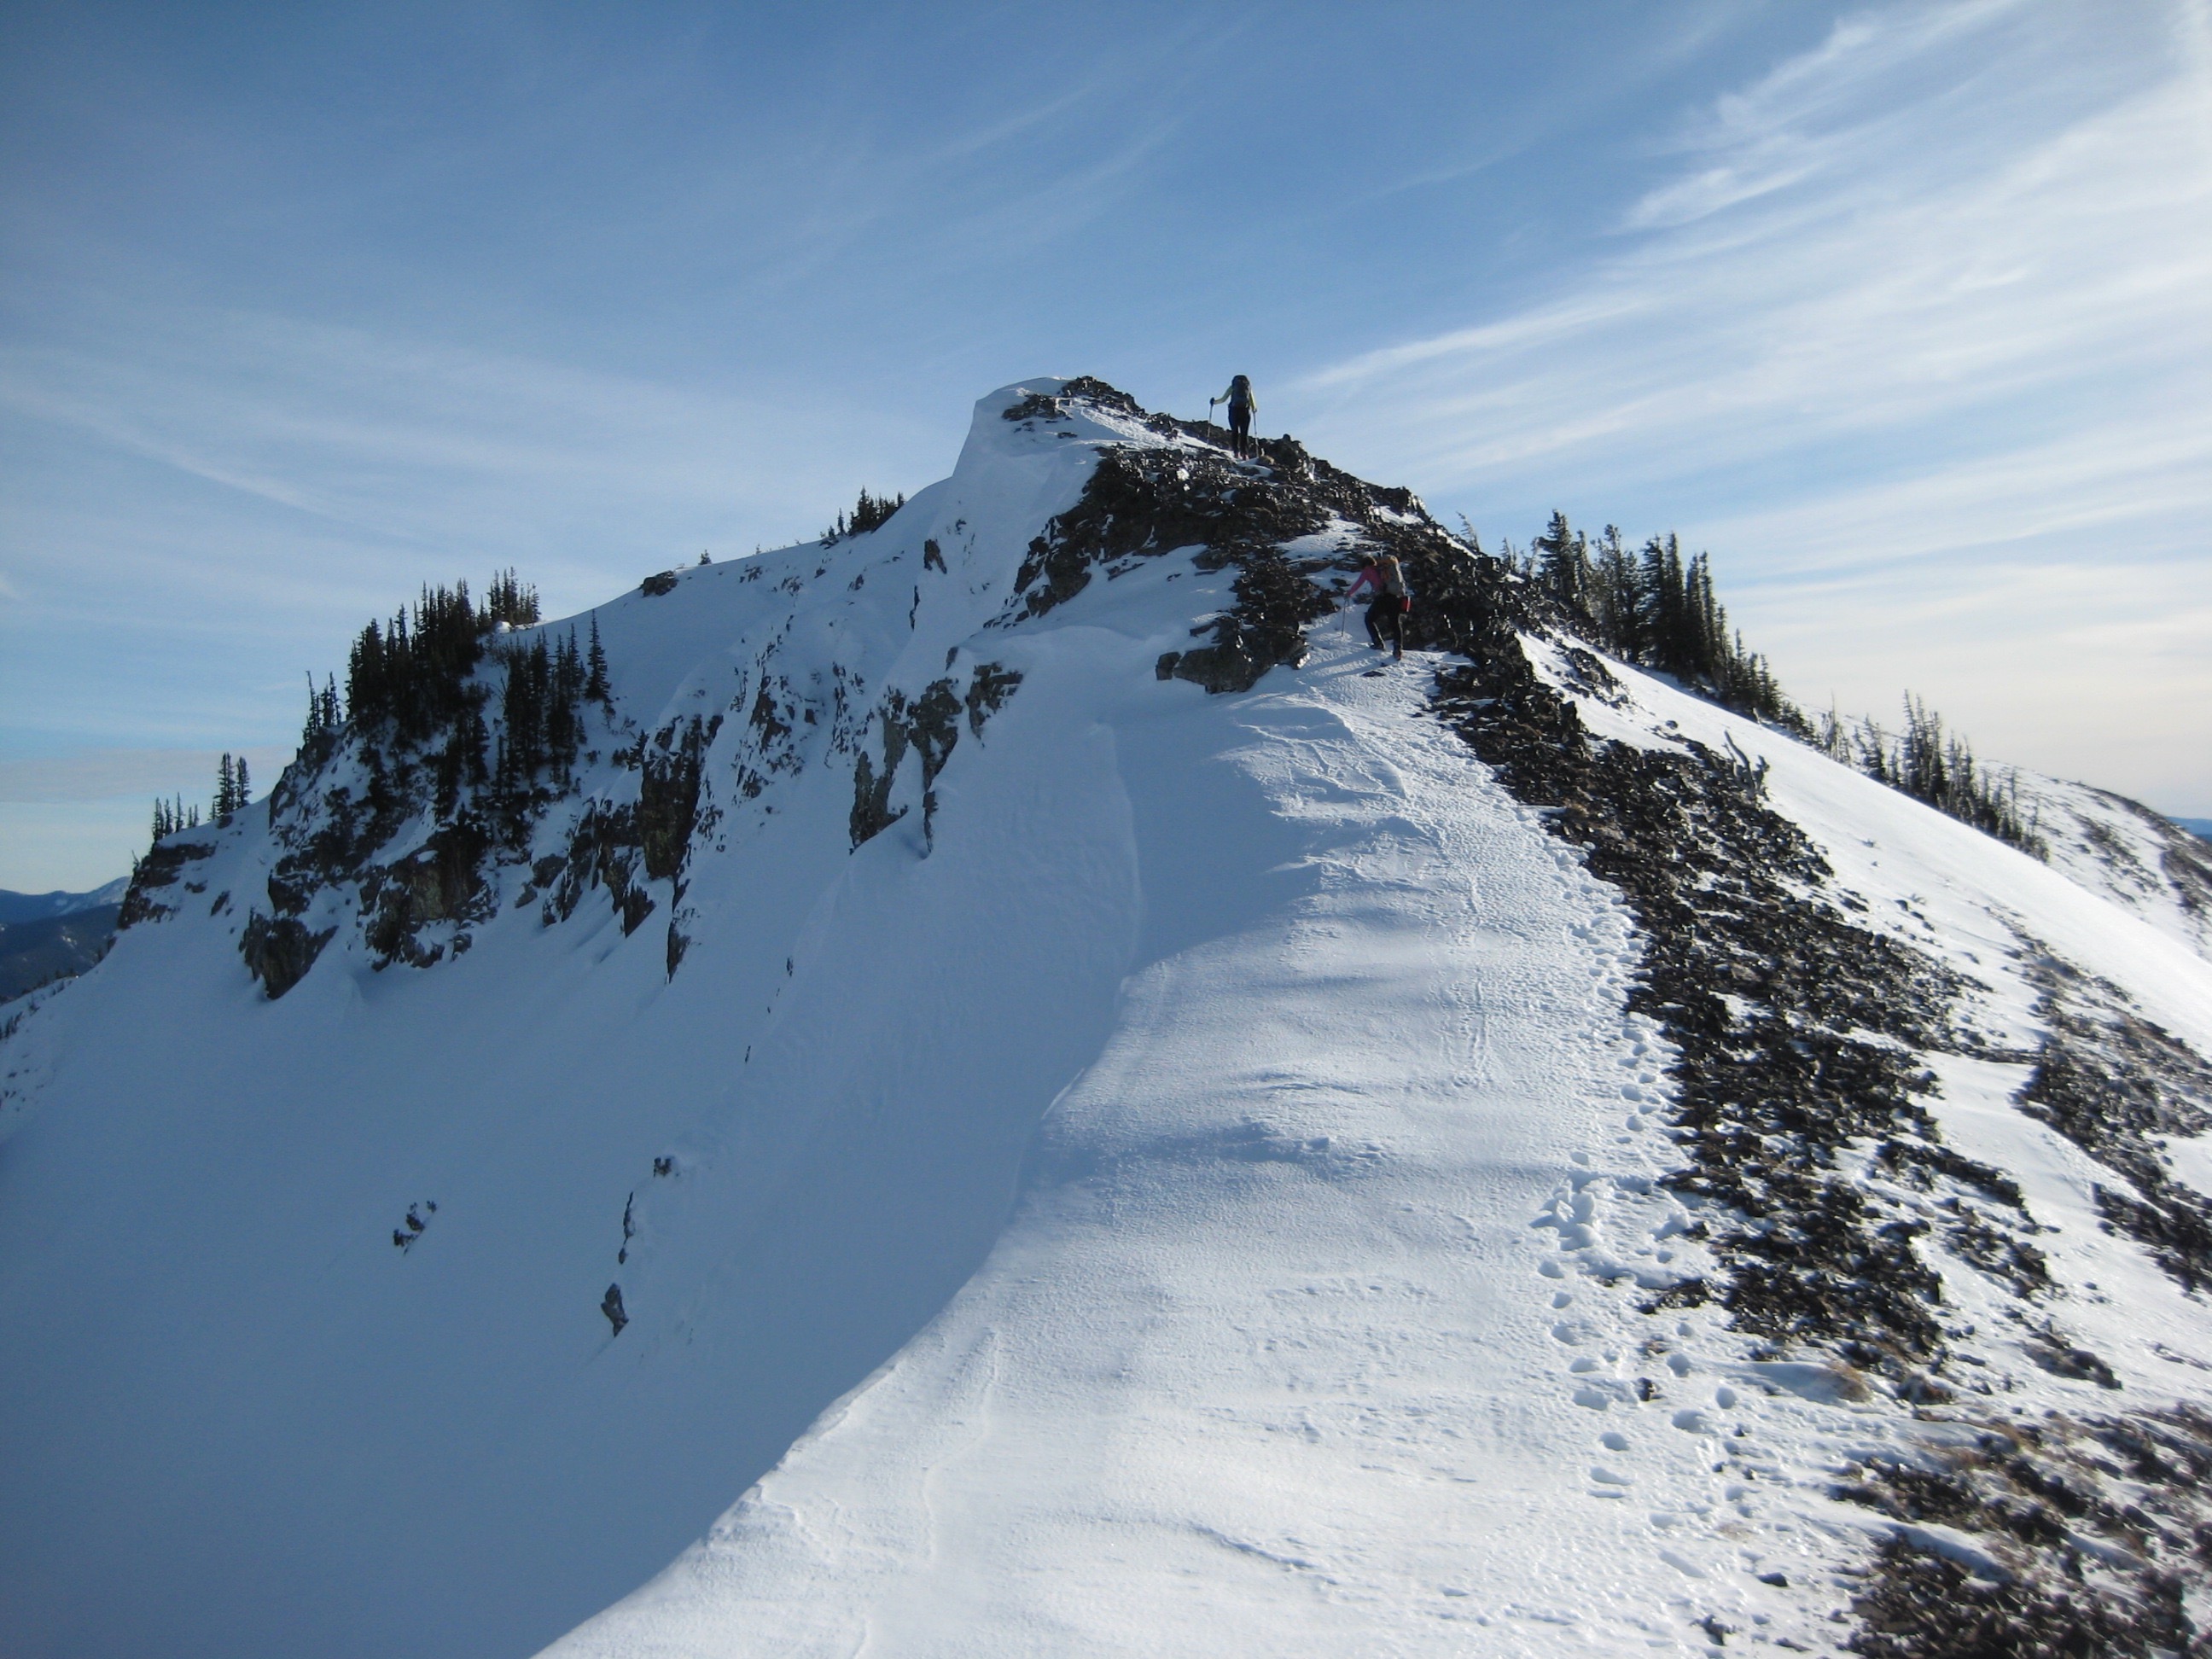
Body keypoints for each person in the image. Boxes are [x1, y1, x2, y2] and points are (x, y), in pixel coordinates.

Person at [1346, 554, 1411, 660]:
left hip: (1383, 598)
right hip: (1397, 598)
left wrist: (1349, 593)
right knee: (1395, 623)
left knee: (1369, 619)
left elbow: (1359, 583)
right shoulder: (1385, 568)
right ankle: (1398, 649)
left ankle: (1378, 643)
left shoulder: (1368, 570)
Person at [1213, 374, 1257, 459]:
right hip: (1245, 412)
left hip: (1234, 411)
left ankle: (1236, 452)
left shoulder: (1232, 387)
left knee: (1235, 432)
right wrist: (1254, 408)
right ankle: (1245, 454)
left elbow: (1223, 399)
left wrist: (1214, 402)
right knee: (1244, 433)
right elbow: (1252, 401)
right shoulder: (1248, 388)